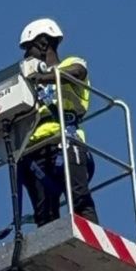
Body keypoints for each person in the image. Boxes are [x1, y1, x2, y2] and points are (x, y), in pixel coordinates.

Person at [17, 18, 99, 226]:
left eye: (29, 48)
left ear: (44, 43)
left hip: (65, 142)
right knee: (44, 215)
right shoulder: (25, 82)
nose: (26, 56)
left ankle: (91, 243)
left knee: (79, 199)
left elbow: (78, 73)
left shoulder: (72, 64)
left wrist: (42, 77)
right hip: (34, 152)